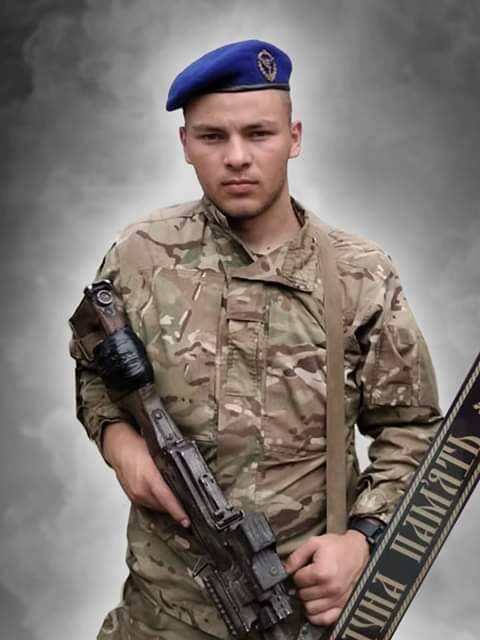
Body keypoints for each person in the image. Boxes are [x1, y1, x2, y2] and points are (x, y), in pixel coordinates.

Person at [69, 39, 442, 640]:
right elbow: (95, 365)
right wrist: (118, 442)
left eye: (259, 134)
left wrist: (366, 540)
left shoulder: (360, 275)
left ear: (294, 137)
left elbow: (414, 430)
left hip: (300, 620)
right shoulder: (140, 256)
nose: (237, 157)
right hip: (157, 618)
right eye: (213, 136)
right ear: (185, 144)